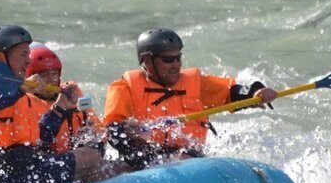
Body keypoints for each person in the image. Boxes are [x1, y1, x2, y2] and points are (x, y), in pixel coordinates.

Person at [0, 25, 108, 183]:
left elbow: (39, 139)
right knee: (91, 157)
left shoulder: (12, 86)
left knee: (88, 157)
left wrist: (60, 108)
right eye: (24, 55)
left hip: (12, 171)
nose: (28, 61)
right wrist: (20, 86)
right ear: (1, 57)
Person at [103, 27, 277, 168]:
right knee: (113, 169)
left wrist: (255, 93)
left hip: (187, 158)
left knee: (182, 158)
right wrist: (135, 143)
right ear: (147, 61)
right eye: (168, 60)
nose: (176, 65)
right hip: (142, 157)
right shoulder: (124, 87)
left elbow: (232, 92)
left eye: (178, 58)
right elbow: (113, 129)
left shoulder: (196, 82)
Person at [23, 42, 104, 153]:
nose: (51, 80)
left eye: (54, 73)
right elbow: (37, 145)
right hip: (49, 160)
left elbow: (101, 135)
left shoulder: (71, 94)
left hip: (76, 157)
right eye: (44, 75)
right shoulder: (24, 102)